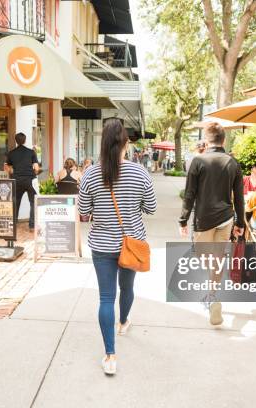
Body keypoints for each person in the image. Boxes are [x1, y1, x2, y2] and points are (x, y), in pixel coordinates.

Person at [78, 118, 156, 375]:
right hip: (131, 243)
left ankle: (110, 355)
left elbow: (84, 212)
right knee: (127, 288)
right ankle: (123, 322)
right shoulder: (139, 172)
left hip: (101, 245)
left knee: (106, 297)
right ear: (125, 143)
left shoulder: (90, 173)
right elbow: (151, 207)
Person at [179, 122, 245, 326]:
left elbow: (189, 194)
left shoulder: (198, 161)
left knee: (204, 257)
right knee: (217, 258)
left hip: (203, 219)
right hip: (225, 218)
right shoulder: (233, 163)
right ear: (223, 140)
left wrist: (183, 219)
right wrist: (240, 222)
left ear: (207, 140)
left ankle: (211, 296)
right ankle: (212, 295)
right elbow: (240, 197)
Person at [4, 132, 40, 230]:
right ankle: (32, 225)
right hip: (30, 180)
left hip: (17, 180)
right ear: (25, 140)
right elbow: (36, 168)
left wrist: (13, 172)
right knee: (33, 202)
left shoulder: (11, 153)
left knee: (16, 201)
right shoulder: (31, 152)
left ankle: (13, 224)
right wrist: (34, 173)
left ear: (16, 141)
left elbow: (6, 167)